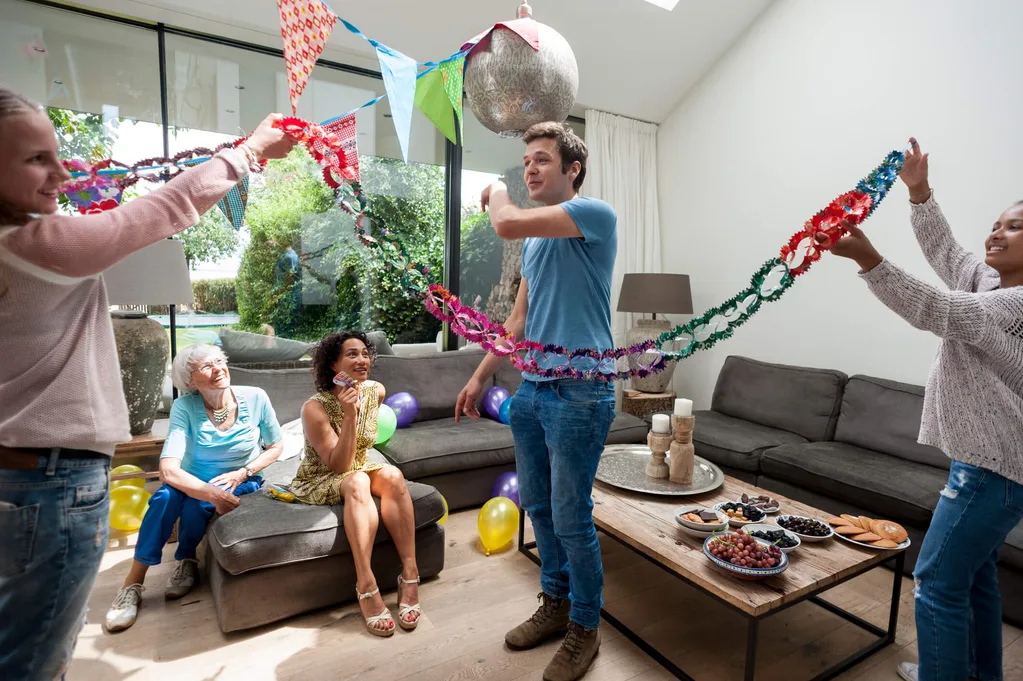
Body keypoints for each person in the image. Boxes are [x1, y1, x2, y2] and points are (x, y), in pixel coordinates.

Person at [0, 86, 294, 680]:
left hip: (22, 477)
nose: (62, 170)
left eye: (57, 152)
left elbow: (272, 447)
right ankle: (144, 579)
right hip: (53, 483)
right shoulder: (32, 245)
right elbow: (158, 211)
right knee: (32, 661)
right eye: (36, 158)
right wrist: (251, 150)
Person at [821, 138, 1023, 681]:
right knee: (975, 579)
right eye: (997, 223)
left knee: (935, 582)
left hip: (993, 472)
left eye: (1014, 227)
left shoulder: (1015, 306)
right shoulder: (991, 283)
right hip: (987, 467)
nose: (995, 233)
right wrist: (919, 192)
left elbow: (938, 308)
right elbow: (949, 255)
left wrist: (869, 258)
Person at [455, 122, 618, 681]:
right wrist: (480, 376)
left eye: (542, 159)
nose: (529, 169)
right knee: (541, 508)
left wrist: (495, 193)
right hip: (534, 390)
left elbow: (502, 220)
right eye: (525, 161)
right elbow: (518, 321)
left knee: (573, 517)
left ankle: (585, 627)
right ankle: (554, 603)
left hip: (581, 391)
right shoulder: (534, 242)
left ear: (572, 170)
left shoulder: (595, 215)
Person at [104, 344, 283, 630]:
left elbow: (276, 446)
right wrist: (210, 492)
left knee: (197, 505)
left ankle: (186, 558)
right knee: (164, 499)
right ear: (189, 380)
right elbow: (168, 470)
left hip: (238, 476)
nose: (218, 369)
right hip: (192, 478)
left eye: (219, 361)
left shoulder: (255, 397)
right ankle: (132, 585)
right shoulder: (184, 406)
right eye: (206, 366)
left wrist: (243, 472)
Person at [291, 330, 422, 637]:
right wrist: (349, 415)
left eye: (365, 353)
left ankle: (411, 572)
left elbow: (362, 451)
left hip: (359, 464)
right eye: (352, 354)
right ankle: (365, 581)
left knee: (392, 475)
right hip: (320, 476)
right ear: (332, 365)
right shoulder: (315, 408)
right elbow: (338, 465)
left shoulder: (375, 390)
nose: (362, 360)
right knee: (357, 482)